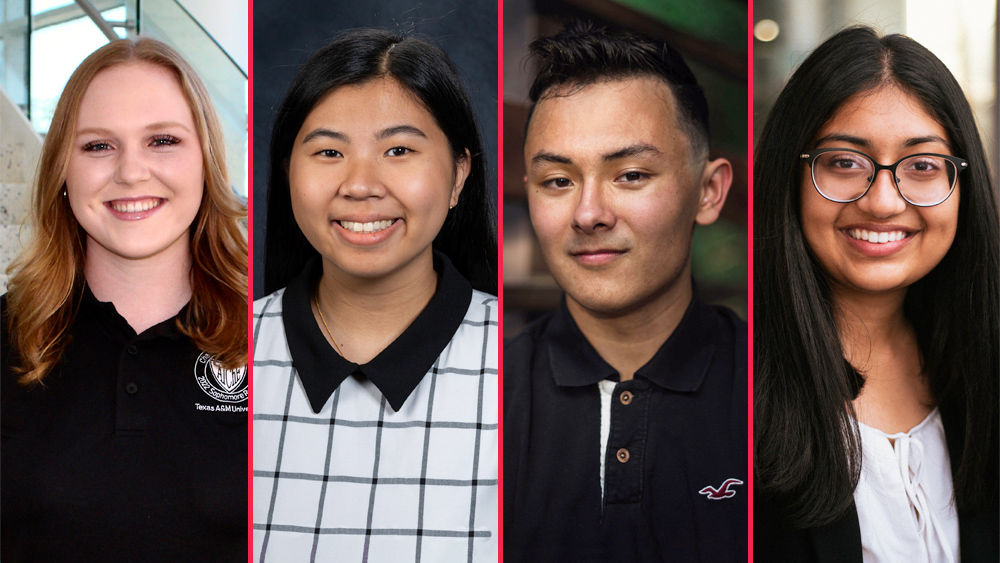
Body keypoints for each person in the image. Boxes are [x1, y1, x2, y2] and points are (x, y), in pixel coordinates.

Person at [753, 26, 1000, 562]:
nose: (884, 202)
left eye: (923, 166)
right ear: (790, 176)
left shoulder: (985, 368)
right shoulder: (730, 395)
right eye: (844, 162)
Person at [252, 29, 499, 562]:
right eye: (329, 151)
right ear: (286, 171)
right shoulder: (225, 353)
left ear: (459, 174)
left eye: (399, 149)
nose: (360, 184)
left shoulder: (521, 363)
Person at [503, 21, 746, 562]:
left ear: (708, 192)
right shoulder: (479, 402)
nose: (588, 213)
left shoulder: (784, 394)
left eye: (631, 175)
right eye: (558, 181)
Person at [1, 38, 248, 561]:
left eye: (162, 140)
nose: (131, 171)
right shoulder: (5, 336)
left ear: (205, 159)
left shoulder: (281, 339)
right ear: (62, 173)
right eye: (97, 145)